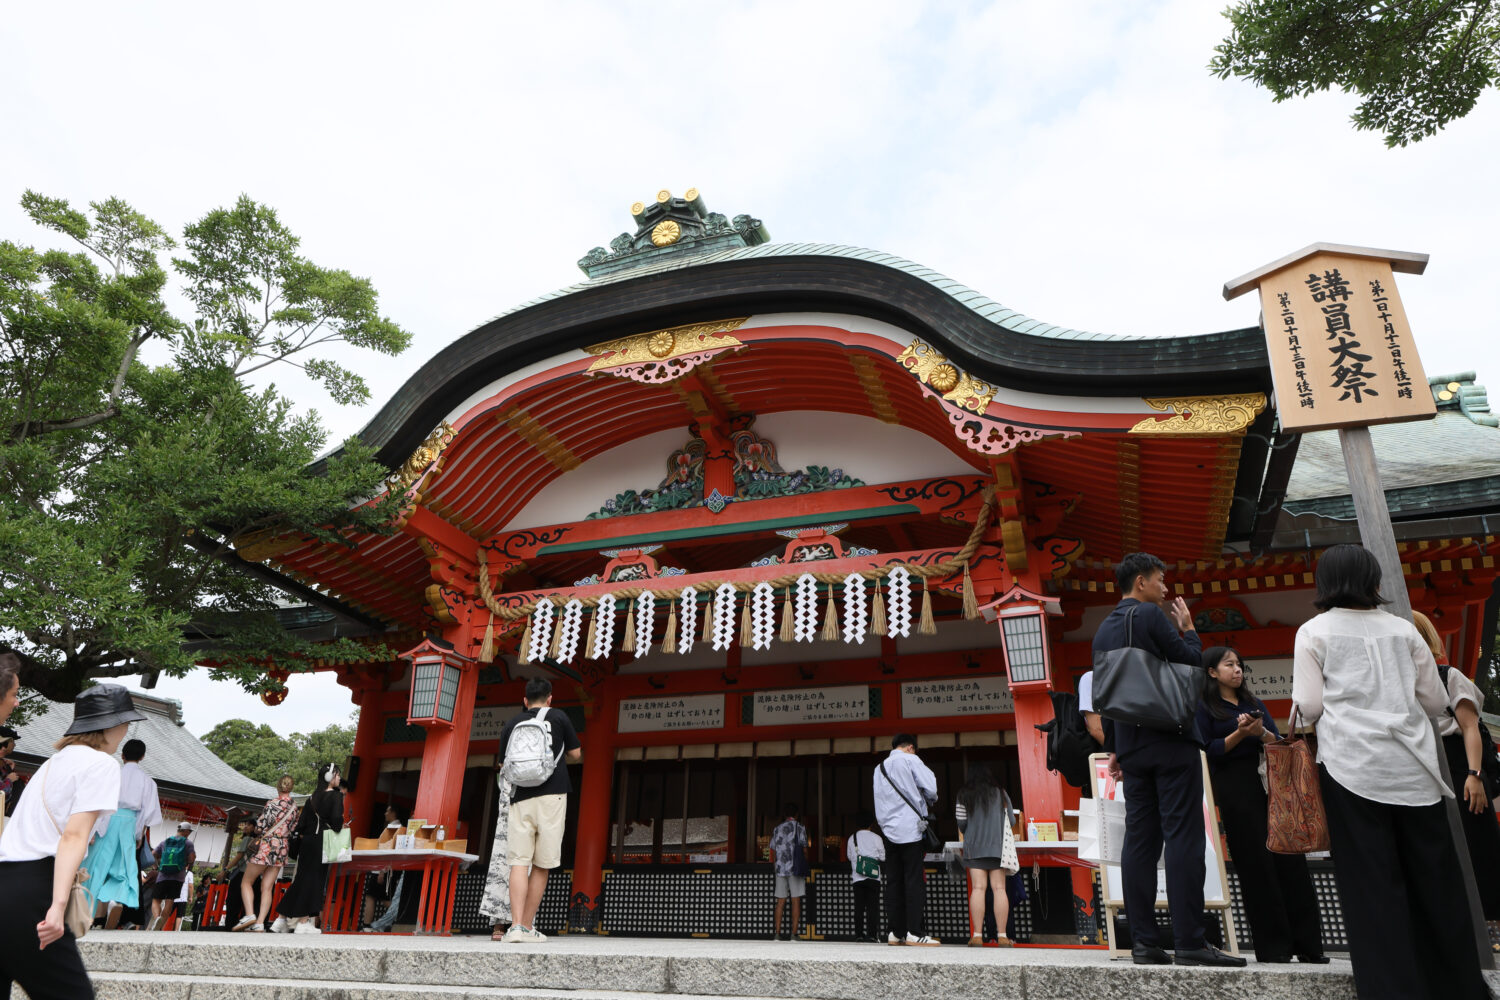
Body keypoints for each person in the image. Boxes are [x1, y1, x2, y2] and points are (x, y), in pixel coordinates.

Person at [1294, 544, 1487, 1000]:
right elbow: (1437, 702)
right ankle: (1457, 985)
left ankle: (1392, 989)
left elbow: (1309, 707)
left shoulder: (1313, 631)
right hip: (1414, 769)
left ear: (1325, 582)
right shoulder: (1403, 629)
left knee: (1372, 884)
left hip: (1351, 768)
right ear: (1372, 580)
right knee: (1435, 879)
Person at [1093, 551, 1243, 967]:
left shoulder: (1102, 631)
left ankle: (1143, 942)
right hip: (1171, 740)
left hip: (1133, 748)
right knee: (1183, 837)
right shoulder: (1150, 616)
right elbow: (1193, 666)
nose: (1165, 589)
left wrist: (1117, 747)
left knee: (1140, 842)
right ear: (1140, 582)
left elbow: (1106, 696)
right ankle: (1190, 941)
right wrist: (1190, 630)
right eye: (1160, 580)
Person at [0, 682, 145, 999]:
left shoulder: (54, 762)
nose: (126, 731)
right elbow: (75, 835)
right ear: (112, 725)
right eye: (126, 723)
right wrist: (57, 906)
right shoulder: (102, 764)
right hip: (33, 890)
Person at [1194, 646, 1325, 963]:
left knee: (1291, 858)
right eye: (1229, 665)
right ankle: (1274, 948)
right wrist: (1240, 735)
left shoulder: (1253, 702)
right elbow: (1206, 749)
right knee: (1256, 866)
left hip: (1270, 782)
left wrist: (1259, 731)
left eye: (1239, 664)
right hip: (1234, 786)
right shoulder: (1204, 707)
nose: (1237, 670)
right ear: (1212, 672)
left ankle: (1309, 946)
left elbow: (1277, 741)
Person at [1413, 611, 1500, 925]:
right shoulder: (1396, 686)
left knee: (1480, 843)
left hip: (1461, 764)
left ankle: (1493, 922)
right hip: (1424, 769)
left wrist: (1474, 775)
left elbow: (1470, 727)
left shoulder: (1449, 676)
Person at [495, 678, 581, 944]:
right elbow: (576, 754)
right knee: (542, 864)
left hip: (520, 797)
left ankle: (516, 927)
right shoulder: (559, 717)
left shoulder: (512, 724)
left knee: (519, 861)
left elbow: (502, 764)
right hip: (552, 797)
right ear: (550, 698)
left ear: (525, 701)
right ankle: (529, 926)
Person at [88, 737, 162, 931]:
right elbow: (146, 813)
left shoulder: (113, 775)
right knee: (123, 868)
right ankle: (115, 899)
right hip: (129, 824)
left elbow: (99, 802)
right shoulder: (147, 782)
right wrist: (139, 835)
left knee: (97, 866)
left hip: (107, 819)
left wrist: (93, 829)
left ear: (122, 755)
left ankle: (91, 911)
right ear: (142, 756)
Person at [874, 733, 940, 946]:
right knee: (913, 881)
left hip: (888, 831)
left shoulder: (879, 768)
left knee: (893, 881)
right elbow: (931, 788)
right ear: (911, 747)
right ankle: (914, 931)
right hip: (911, 829)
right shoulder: (911, 759)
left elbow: (880, 801)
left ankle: (895, 932)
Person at [273, 763, 343, 934]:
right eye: (337, 775)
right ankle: (303, 921)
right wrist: (340, 824)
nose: (339, 778)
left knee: (302, 879)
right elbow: (336, 821)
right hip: (322, 841)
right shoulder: (335, 796)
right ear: (330, 777)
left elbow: (302, 824)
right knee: (314, 881)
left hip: (308, 842)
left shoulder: (312, 797)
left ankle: (281, 919)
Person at [955, 765, 1018, 947]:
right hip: (998, 848)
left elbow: (961, 822)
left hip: (974, 847)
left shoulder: (963, 794)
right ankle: (1003, 936)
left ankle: (977, 935)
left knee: (978, 889)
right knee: (999, 889)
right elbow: (1012, 820)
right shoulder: (1001, 793)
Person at [236, 774, 298, 932]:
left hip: (267, 845)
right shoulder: (294, 807)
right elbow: (292, 829)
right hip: (282, 847)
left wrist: (259, 830)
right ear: (291, 788)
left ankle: (250, 915)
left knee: (246, 882)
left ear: (278, 786)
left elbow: (260, 826)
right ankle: (260, 923)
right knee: (267, 887)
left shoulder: (271, 803)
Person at [768, 803, 809, 940]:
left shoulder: (777, 828)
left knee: (780, 901)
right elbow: (804, 848)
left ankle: (777, 933)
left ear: (785, 815)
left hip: (780, 868)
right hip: (794, 868)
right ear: (796, 814)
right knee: (795, 900)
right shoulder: (800, 827)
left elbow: (773, 847)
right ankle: (794, 934)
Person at [149, 821, 197, 929]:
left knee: (156, 899)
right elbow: (191, 859)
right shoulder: (188, 843)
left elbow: (153, 854)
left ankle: (157, 918)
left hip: (162, 875)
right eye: (189, 831)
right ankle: (160, 924)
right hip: (178, 877)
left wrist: (156, 867)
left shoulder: (165, 842)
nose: (189, 833)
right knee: (169, 900)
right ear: (185, 831)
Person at [846, 813, 885, 943]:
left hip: (857, 877)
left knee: (859, 907)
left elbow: (849, 856)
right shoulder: (877, 838)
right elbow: (883, 857)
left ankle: (858, 935)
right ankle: (872, 935)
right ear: (871, 824)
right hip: (874, 877)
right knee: (872, 907)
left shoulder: (852, 838)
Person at [222, 816, 257, 931]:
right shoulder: (258, 841)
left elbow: (239, 856)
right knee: (246, 901)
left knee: (233, 901)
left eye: (248, 824)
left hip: (242, 873)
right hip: (253, 874)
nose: (245, 827)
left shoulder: (247, 839)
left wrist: (225, 870)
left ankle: (230, 925)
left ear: (254, 827)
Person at [1, 724, 26, 818]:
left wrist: (9, 770)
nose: (14, 745)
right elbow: (1, 793)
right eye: (12, 741)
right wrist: (9, 780)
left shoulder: (5, 765)